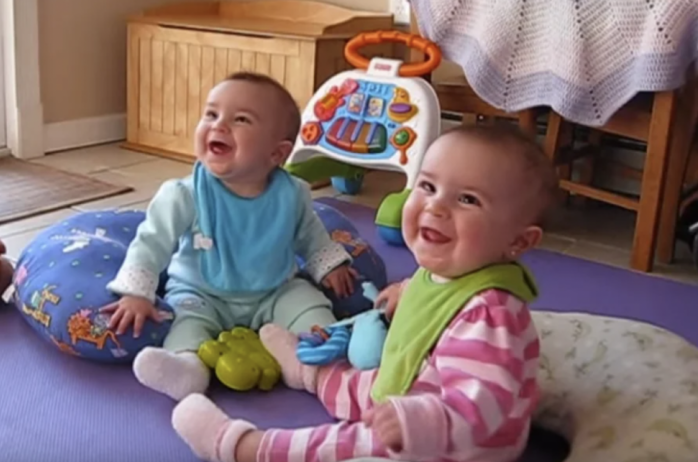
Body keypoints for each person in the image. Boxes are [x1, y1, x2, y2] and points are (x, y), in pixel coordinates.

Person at [172, 124, 560, 462]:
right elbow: (434, 298)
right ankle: (309, 371)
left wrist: (416, 420)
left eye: (468, 199)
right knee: (365, 383)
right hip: (414, 395)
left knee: (348, 442)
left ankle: (244, 447)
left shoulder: (492, 315)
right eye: (427, 186)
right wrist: (405, 293)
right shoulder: (453, 270)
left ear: (518, 241)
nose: (435, 207)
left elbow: (482, 407)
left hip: (453, 444)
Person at [101, 72, 357, 401]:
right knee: (185, 318)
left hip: (275, 289)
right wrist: (137, 293)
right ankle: (186, 366)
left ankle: (306, 360)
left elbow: (311, 234)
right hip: (201, 291)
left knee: (310, 305)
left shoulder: (291, 194)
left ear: (277, 154)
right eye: (211, 114)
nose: (218, 126)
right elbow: (151, 242)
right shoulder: (184, 195)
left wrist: (330, 264)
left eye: (240, 120)